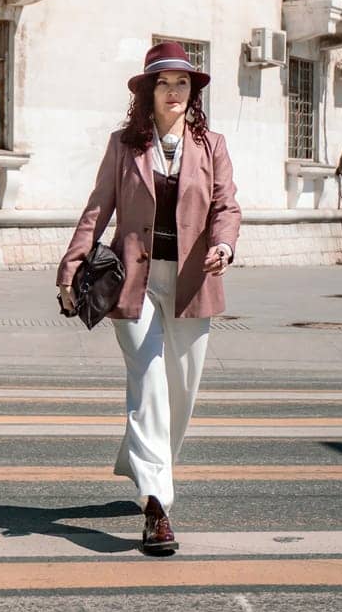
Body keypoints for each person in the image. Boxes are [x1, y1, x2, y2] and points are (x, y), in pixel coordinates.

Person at [56, 40, 241, 556]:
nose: (175, 92)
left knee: (180, 390)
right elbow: (98, 209)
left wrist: (224, 245)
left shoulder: (212, 146)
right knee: (149, 379)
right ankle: (155, 504)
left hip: (191, 280)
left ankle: (139, 460)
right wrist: (71, 265)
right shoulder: (125, 145)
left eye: (182, 83)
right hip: (131, 281)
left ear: (192, 92)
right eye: (164, 83)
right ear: (148, 92)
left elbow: (227, 206)